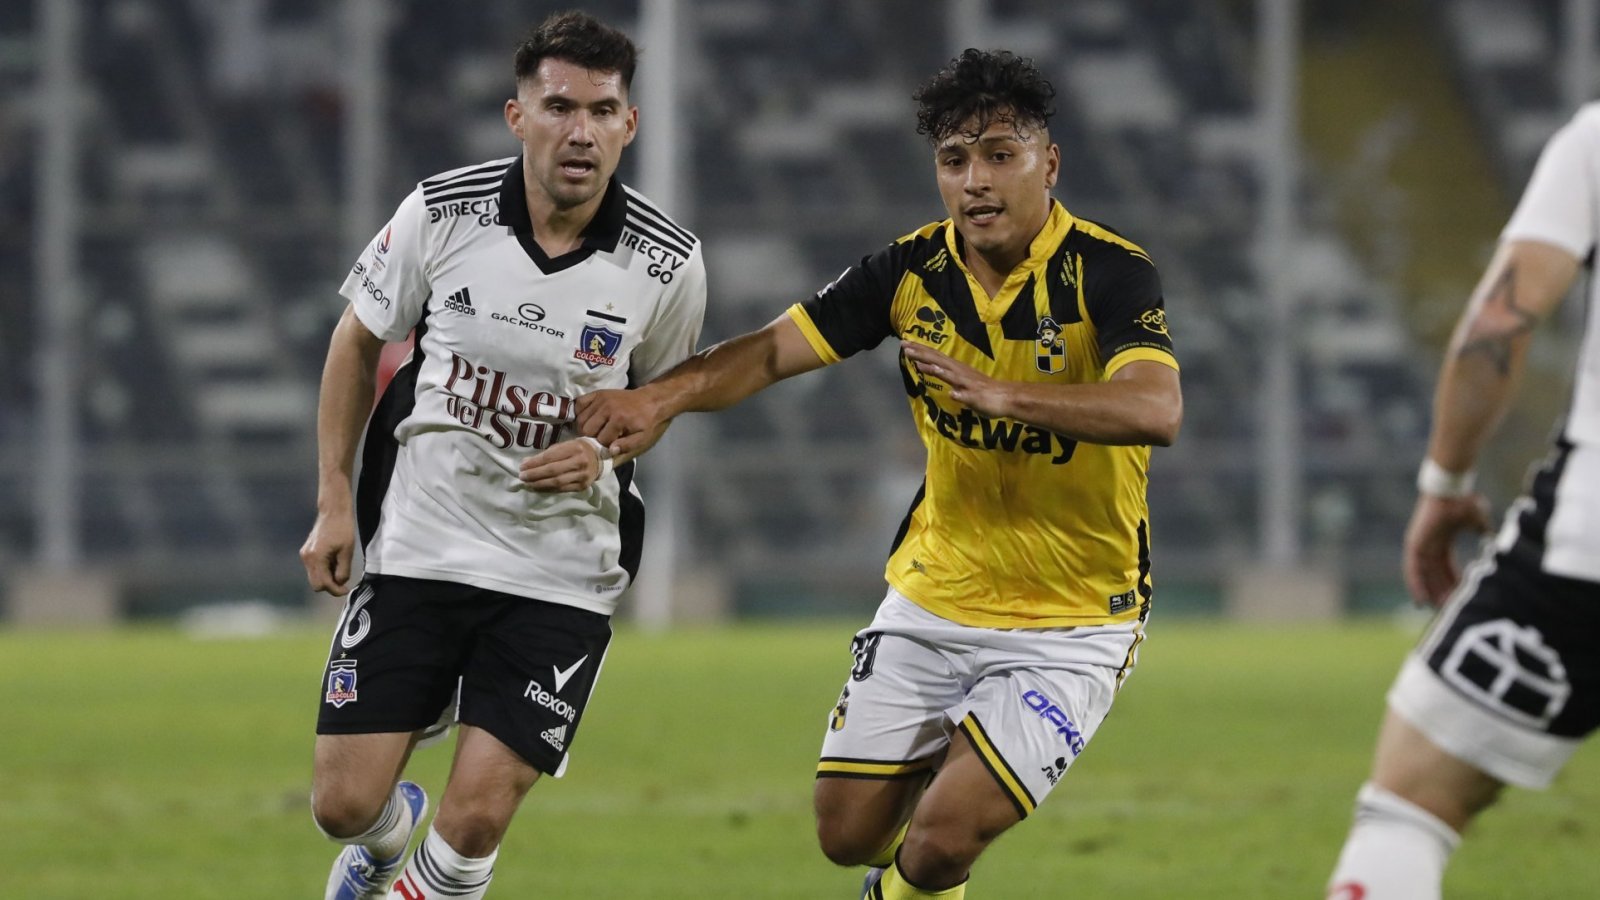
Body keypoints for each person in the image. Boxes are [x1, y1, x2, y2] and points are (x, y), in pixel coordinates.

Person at [578, 49, 1182, 899]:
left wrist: (1004, 395)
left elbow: (1156, 409)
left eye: (1000, 155)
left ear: (1049, 164)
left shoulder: (1110, 272)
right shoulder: (908, 273)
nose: (975, 180)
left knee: (939, 841)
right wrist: (659, 399)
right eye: (954, 160)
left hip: (1074, 618)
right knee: (846, 833)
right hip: (935, 596)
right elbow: (772, 351)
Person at [297, 11, 706, 899]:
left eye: (602, 111)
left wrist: (601, 454)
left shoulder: (669, 264)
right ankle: (384, 838)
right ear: (518, 116)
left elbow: (659, 403)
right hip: (421, 548)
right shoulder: (441, 212)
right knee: (342, 804)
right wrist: (333, 499)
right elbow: (354, 342)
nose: (581, 131)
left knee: (476, 818)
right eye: (560, 107)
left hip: (560, 566)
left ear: (630, 125)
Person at [1326, 105, 1600, 900]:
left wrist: (1445, 485)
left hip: (1586, 546)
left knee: (1411, 805)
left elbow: (1500, 319)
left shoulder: (1594, 139)